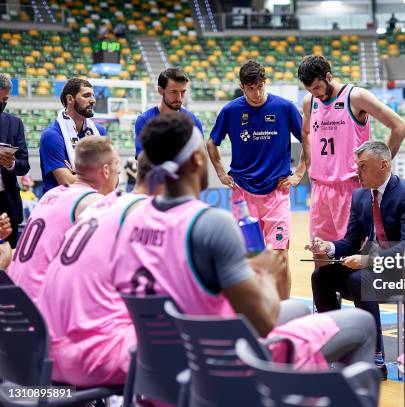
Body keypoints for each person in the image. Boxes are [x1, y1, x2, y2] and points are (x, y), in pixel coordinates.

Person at [110, 112, 379, 381]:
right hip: (224, 365)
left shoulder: (127, 219)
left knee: (296, 310)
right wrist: (262, 273)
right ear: (197, 159)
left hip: (159, 367)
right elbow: (263, 319)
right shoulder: (209, 223)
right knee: (362, 324)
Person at [308, 141, 405, 380]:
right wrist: (328, 246)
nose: (356, 171)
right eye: (357, 166)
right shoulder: (360, 196)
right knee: (321, 276)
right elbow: (351, 241)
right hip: (368, 269)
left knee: (359, 278)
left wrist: (368, 260)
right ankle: (337, 350)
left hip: (399, 271)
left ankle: (376, 360)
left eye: (362, 166)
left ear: (383, 165)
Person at [37, 153, 155, 387]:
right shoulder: (138, 211)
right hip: (85, 356)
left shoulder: (84, 204)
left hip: (42, 345)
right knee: (186, 345)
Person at [208, 60, 306, 300]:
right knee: (248, 258)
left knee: (281, 257)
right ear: (242, 87)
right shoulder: (231, 111)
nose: (257, 93)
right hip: (243, 194)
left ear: (266, 83)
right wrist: (221, 172)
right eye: (251, 88)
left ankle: (284, 310)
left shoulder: (284, 107)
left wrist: (300, 173)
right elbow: (212, 142)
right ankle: (254, 309)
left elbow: (308, 138)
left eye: (260, 86)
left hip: (277, 193)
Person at [297, 55, 405, 248]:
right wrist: (304, 167)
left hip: (351, 186)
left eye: (317, 88)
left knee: (353, 252)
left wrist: (380, 167)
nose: (314, 94)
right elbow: (306, 133)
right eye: (309, 90)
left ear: (328, 77)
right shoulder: (309, 102)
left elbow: (399, 126)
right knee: (320, 252)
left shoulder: (355, 97)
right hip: (320, 188)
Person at [10, 137, 120, 302]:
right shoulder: (93, 202)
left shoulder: (51, 193)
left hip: (14, 297)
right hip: (40, 306)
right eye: (116, 169)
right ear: (105, 171)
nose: (117, 175)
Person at [39, 78, 106, 195]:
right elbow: (67, 182)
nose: (93, 100)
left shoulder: (99, 132)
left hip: (93, 204)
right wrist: (101, 178)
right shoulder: (52, 136)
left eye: (93, 96)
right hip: (60, 207)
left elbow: (114, 178)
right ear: (70, 99)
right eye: (86, 96)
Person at [134, 68, 203, 157]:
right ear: (160, 90)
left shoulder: (193, 121)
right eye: (174, 92)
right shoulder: (144, 120)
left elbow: (200, 158)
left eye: (183, 92)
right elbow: (142, 161)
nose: (179, 97)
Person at [0, 73, 30, 246]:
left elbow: (24, 164)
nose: (2, 104)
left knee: (8, 257)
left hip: (7, 202)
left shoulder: (14, 123)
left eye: (5, 100)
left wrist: (11, 163)